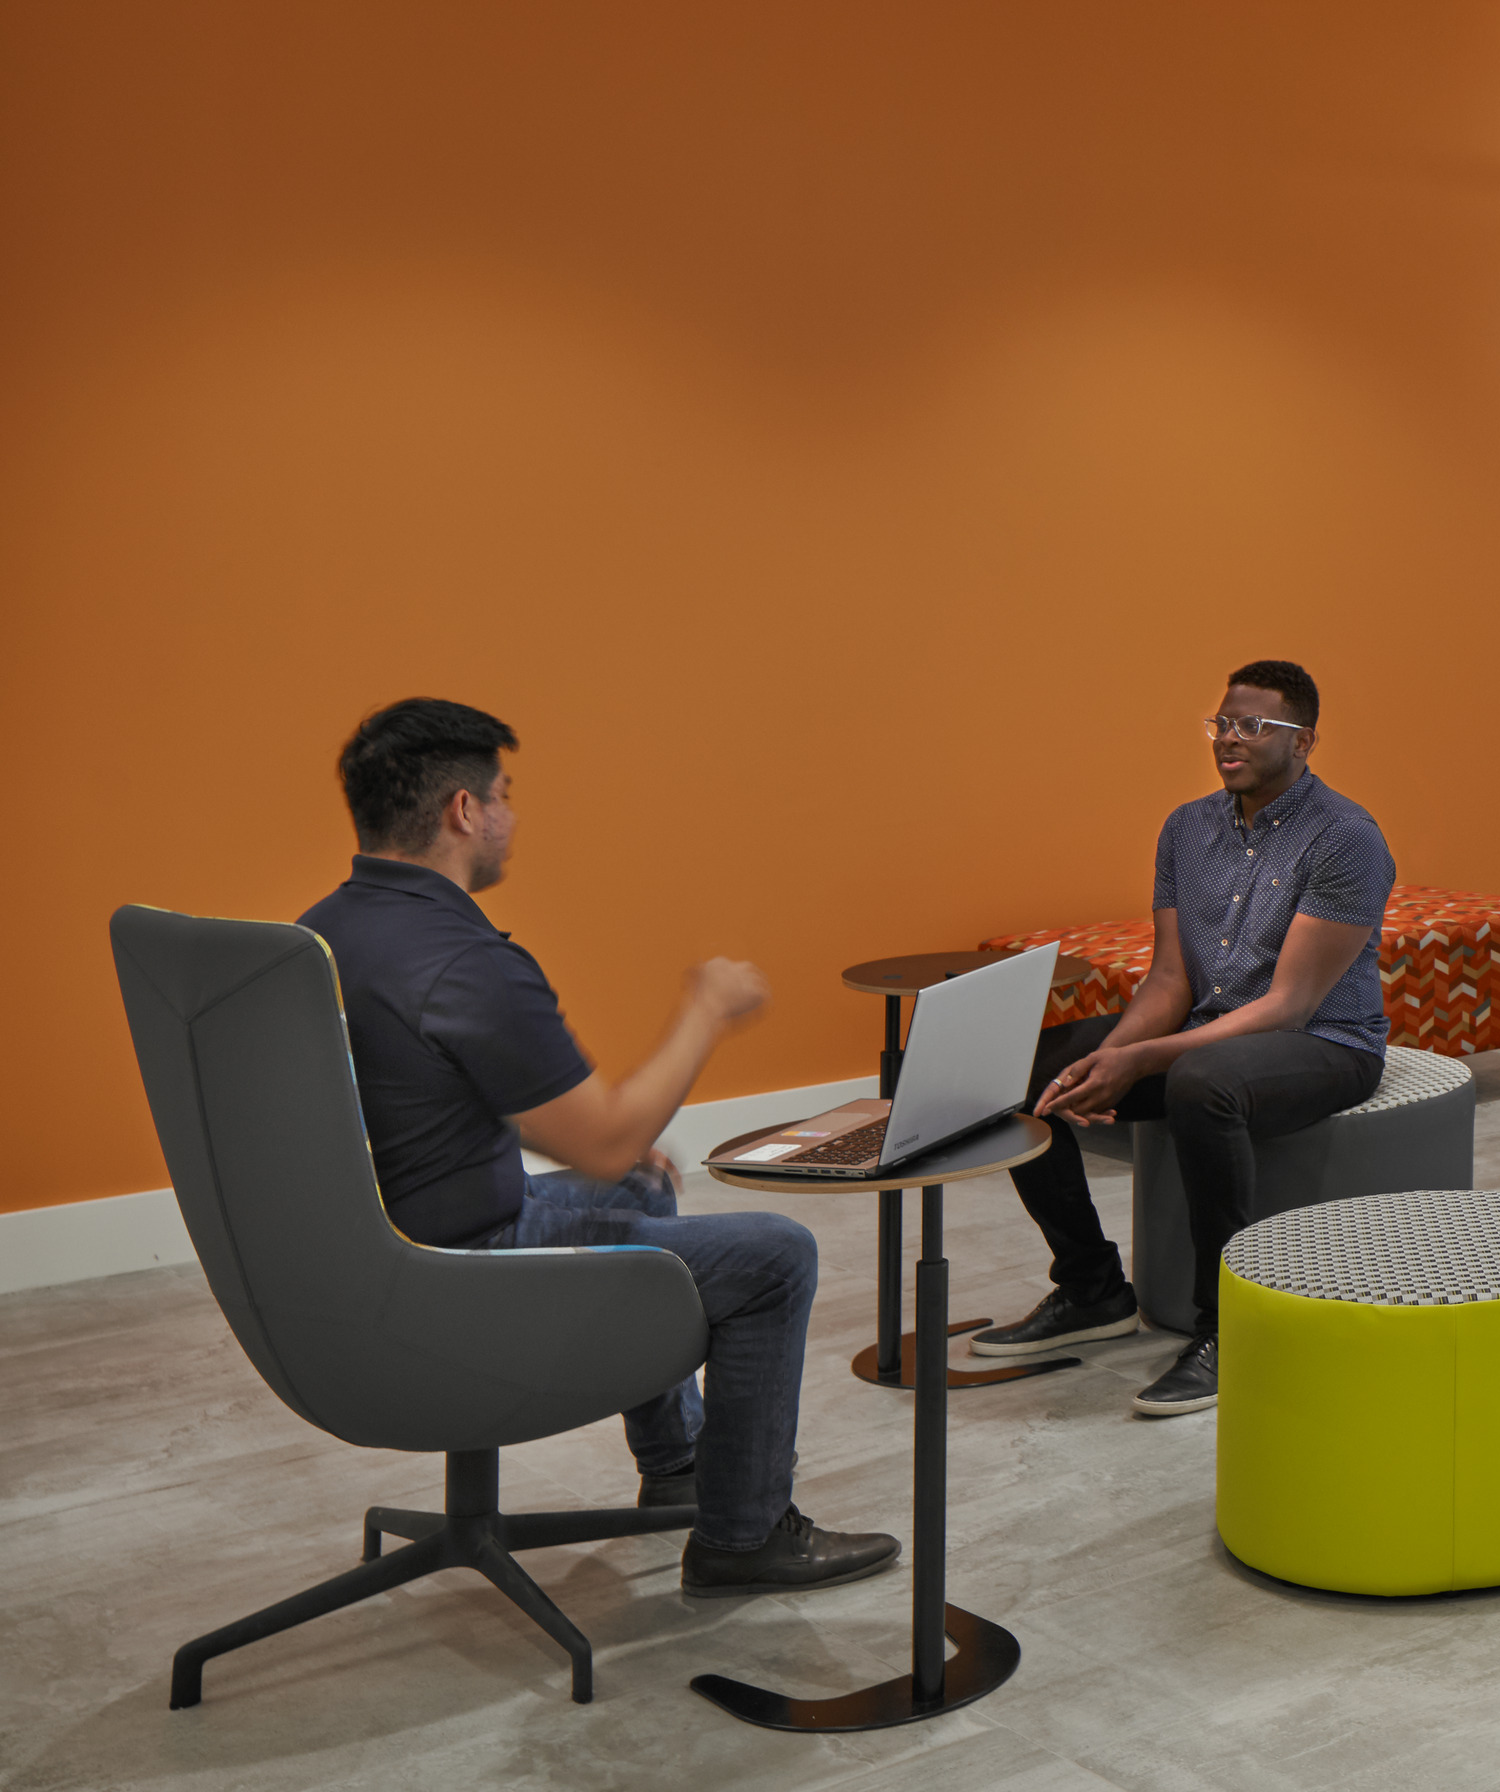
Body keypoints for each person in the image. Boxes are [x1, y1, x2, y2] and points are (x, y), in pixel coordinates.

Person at [296, 699, 896, 1595]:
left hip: (368, 1242)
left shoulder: (324, 930)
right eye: (504, 795)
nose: (512, 816)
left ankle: (680, 1466)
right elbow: (612, 1138)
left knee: (640, 1198)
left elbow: (420, 1093)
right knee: (775, 1255)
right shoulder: (465, 961)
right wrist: (705, 1007)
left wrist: (612, 1159)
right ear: (463, 810)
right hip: (453, 1266)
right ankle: (745, 1535)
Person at [967, 659, 1395, 1418]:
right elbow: (1170, 981)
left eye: (1253, 725)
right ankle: (1092, 1287)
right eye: (1223, 723)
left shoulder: (1346, 838)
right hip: (1214, 1027)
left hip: (1328, 1044)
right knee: (1027, 1074)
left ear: (1305, 743)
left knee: (1206, 1084)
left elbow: (1290, 1007)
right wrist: (1112, 1055)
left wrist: (1145, 1060)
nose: (1230, 739)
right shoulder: (1186, 829)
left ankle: (1228, 1327)